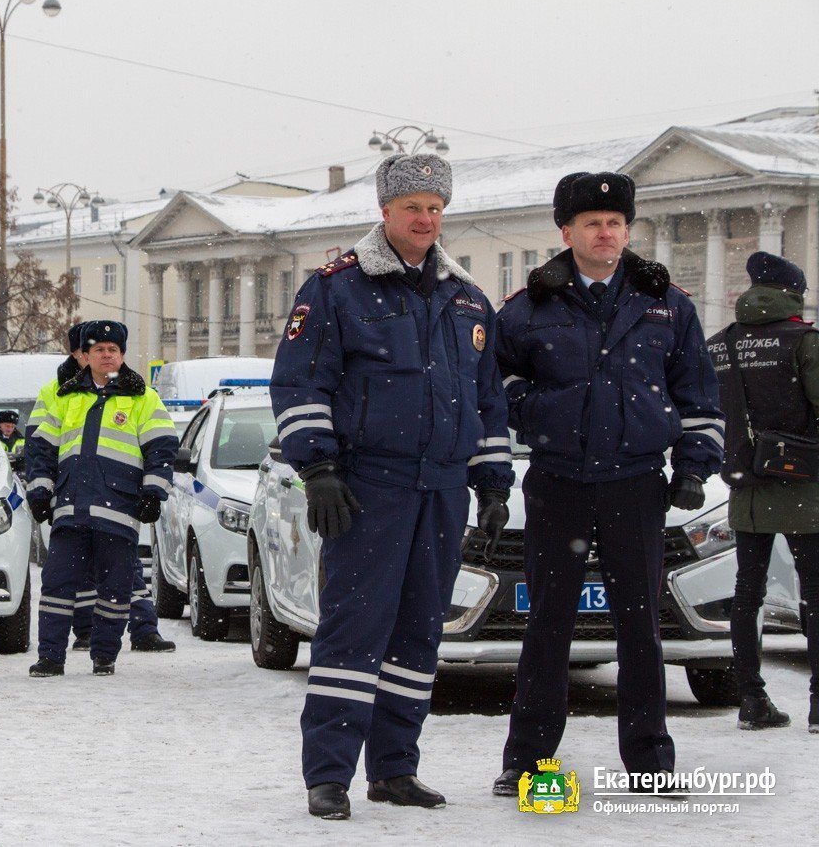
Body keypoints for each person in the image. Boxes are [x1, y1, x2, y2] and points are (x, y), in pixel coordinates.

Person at [271, 153, 514, 819]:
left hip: (441, 490)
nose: (426, 218)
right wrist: (317, 468)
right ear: (385, 211)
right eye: (414, 208)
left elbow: (487, 401)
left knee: (417, 633)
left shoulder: (467, 298)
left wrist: (492, 483)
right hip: (366, 488)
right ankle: (328, 774)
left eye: (436, 207)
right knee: (353, 632)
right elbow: (299, 382)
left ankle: (394, 768)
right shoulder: (337, 289)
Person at [493, 172, 723, 795]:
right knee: (547, 625)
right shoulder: (529, 306)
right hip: (558, 481)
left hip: (635, 483)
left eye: (615, 223)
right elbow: (498, 385)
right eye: (592, 223)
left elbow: (698, 393)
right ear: (566, 231)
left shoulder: (665, 303)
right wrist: (541, 415)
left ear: (627, 230)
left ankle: (650, 761)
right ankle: (527, 760)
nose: (605, 233)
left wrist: (695, 467)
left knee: (640, 625)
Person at [706, 251, 819, 733]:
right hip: (803, 484)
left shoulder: (721, 344)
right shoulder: (805, 342)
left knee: (746, 594)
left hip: (744, 486)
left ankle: (751, 701)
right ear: (792, 293)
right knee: (813, 594)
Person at [25, 321, 178, 676]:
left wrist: (154, 493)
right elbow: (42, 450)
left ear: (122, 355)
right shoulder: (66, 397)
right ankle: (50, 657)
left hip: (119, 510)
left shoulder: (142, 398)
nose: (106, 355)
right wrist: (39, 491)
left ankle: (104, 654)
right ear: (86, 356)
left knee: (116, 589)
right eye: (99, 350)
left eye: (113, 349)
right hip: (70, 508)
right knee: (57, 586)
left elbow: (161, 448)